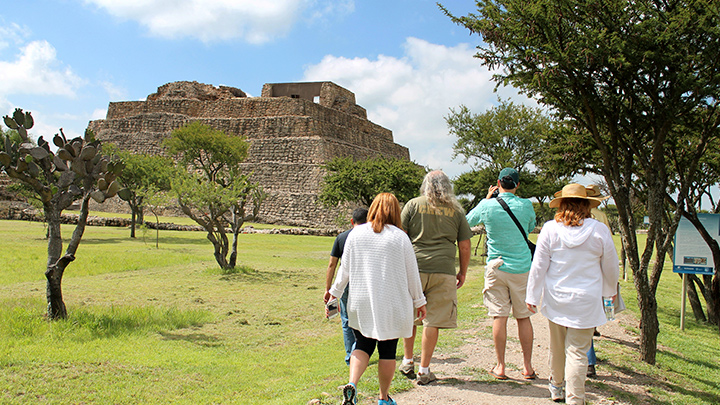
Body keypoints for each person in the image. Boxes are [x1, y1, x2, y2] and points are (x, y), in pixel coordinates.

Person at [328, 193, 427, 405]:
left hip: (361, 302)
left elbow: (343, 270)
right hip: (391, 303)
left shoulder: (355, 234)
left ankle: (352, 384)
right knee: (388, 351)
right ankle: (383, 397)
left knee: (362, 345)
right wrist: (419, 301)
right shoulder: (400, 237)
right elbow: (412, 274)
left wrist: (334, 294)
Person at [526, 183, 620, 404]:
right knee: (577, 351)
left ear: (562, 205)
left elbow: (539, 266)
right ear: (587, 205)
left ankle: (556, 386)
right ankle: (575, 398)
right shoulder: (599, 230)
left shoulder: (550, 229)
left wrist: (532, 295)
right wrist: (610, 291)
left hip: (557, 298)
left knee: (557, 346)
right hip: (587, 300)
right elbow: (611, 266)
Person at [399, 170, 472, 385]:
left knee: (411, 315)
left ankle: (407, 360)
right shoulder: (456, 210)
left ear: (425, 185)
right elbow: (465, 245)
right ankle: (424, 370)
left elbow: (400, 235)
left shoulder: (413, 204)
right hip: (443, 269)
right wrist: (462, 271)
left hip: (414, 268)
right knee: (432, 320)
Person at [465, 167, 536, 380]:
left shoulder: (487, 205)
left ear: (498, 183)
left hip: (496, 266)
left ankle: (501, 366)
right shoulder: (526, 204)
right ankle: (527, 367)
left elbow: (467, 221)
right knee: (523, 317)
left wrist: (486, 199)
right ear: (517, 185)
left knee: (500, 316)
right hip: (522, 266)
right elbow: (530, 226)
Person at [324, 207, 368, 365]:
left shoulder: (342, 237)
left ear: (352, 221)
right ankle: (362, 351)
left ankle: (351, 355)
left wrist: (328, 289)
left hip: (345, 282)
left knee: (346, 320)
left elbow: (332, 264)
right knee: (363, 318)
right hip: (364, 282)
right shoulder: (371, 237)